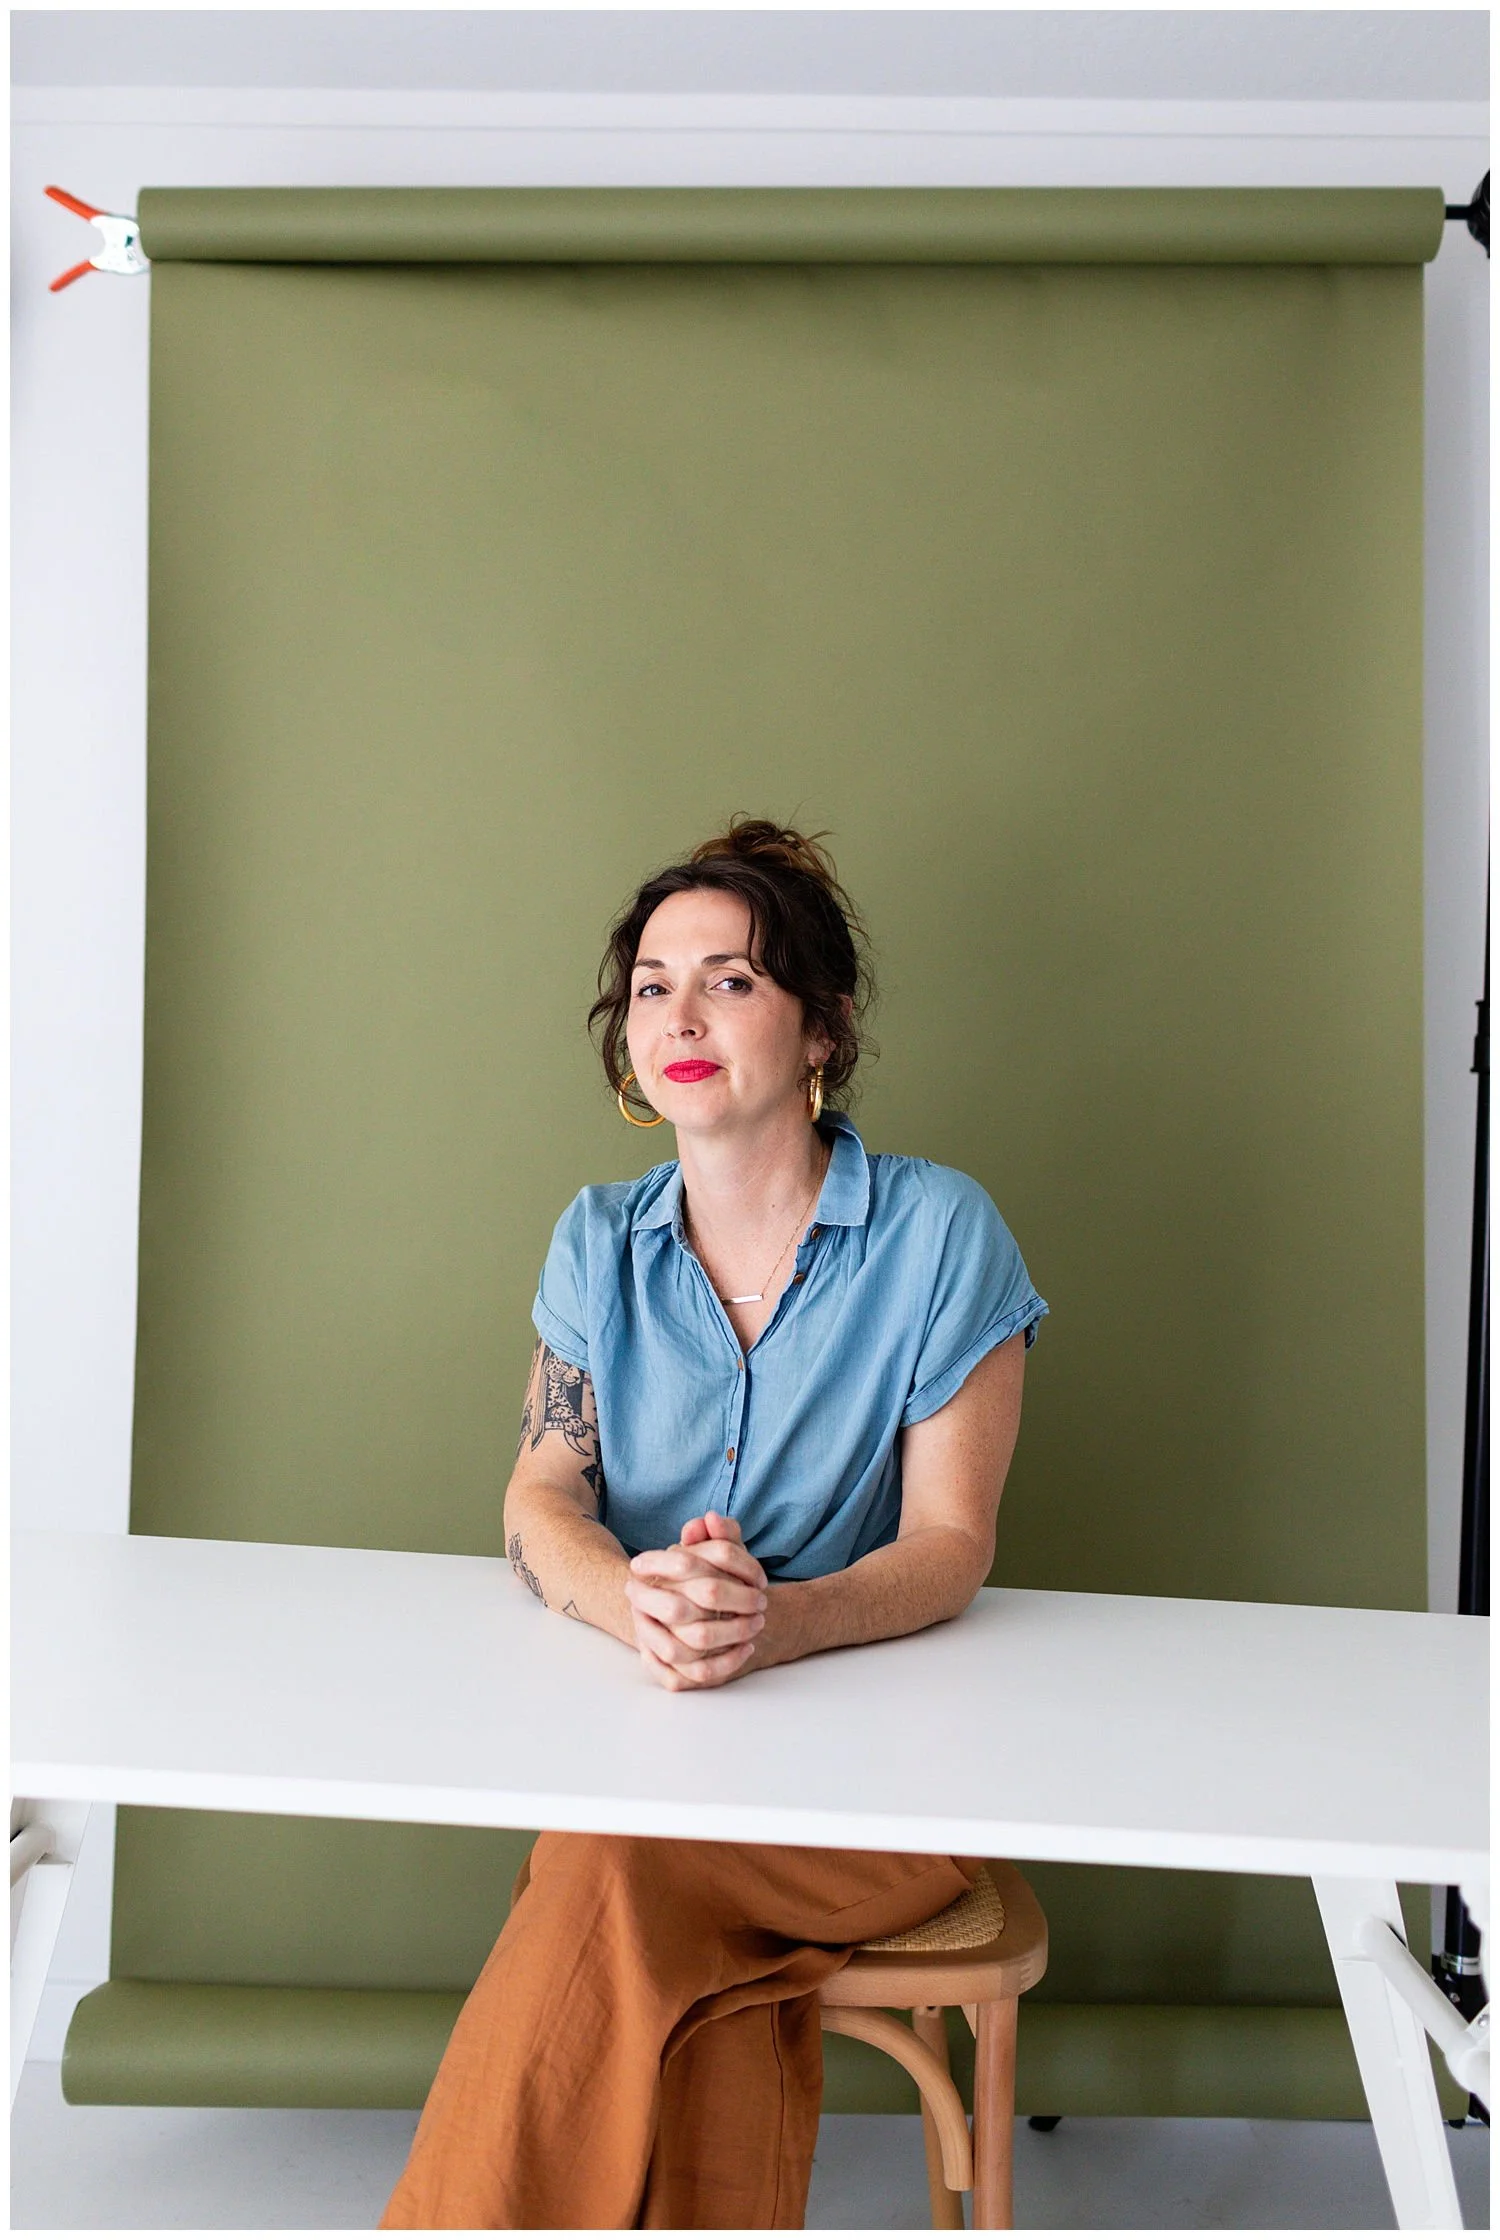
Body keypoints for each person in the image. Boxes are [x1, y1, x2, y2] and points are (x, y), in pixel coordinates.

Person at [381, 818, 1047, 2230]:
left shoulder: (943, 1235)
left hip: (877, 1781)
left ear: (823, 1029)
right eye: (651, 984)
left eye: (733, 980)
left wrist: (777, 1620)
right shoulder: (594, 1241)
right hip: (651, 1742)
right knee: (657, 1911)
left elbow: (949, 1547)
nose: (678, 1014)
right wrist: (646, 1608)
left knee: (611, 1865)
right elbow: (540, 1496)